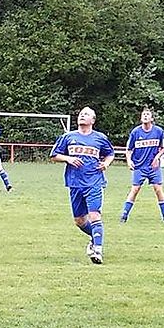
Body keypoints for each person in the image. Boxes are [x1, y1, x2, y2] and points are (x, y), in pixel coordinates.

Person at [50, 107, 116, 264]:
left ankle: (97, 250)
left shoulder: (100, 138)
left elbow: (110, 154)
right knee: (79, 221)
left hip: (94, 182)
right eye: (81, 114)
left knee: (94, 215)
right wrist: (68, 158)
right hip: (75, 183)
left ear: (92, 120)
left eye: (86, 114)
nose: (82, 116)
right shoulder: (68, 137)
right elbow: (53, 155)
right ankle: (95, 237)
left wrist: (106, 163)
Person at [120, 108, 164, 223]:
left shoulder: (159, 131)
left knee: (158, 189)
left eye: (148, 114)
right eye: (144, 115)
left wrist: (157, 157)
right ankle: (124, 215)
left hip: (153, 166)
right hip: (139, 166)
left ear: (152, 118)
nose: (145, 116)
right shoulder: (135, 132)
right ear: (141, 118)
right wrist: (129, 160)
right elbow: (129, 149)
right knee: (135, 189)